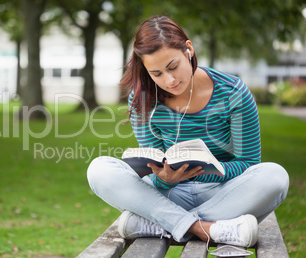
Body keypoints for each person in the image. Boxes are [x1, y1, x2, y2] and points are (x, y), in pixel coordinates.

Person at [86, 15, 289, 249]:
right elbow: (153, 163)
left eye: (173, 66)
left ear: (188, 50)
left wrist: (207, 170)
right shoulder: (143, 99)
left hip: (222, 193)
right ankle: (207, 229)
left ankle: (159, 226)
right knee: (99, 169)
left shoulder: (232, 92)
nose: (169, 80)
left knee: (276, 176)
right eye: (157, 73)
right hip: (171, 195)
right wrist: (163, 179)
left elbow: (249, 162)